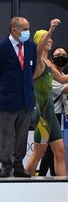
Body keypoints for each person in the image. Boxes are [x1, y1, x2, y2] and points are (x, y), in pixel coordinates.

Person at [0, 16, 37, 178]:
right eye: (25, 29)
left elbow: (31, 70)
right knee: (7, 133)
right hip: (7, 100)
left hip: (26, 99)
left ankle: (18, 165)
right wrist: (4, 91)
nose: (28, 32)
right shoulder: (0, 48)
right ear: (14, 30)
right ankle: (5, 165)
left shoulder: (31, 47)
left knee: (22, 134)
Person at [25, 19, 67, 177]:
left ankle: (63, 187)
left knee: (60, 152)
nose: (50, 39)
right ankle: (22, 183)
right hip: (43, 116)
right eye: (45, 37)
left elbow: (63, 80)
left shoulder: (49, 63)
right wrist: (51, 29)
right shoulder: (37, 62)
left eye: (50, 37)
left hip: (51, 114)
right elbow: (37, 50)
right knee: (38, 153)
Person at [38, 46, 68, 176]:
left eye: (63, 55)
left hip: (57, 114)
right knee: (43, 150)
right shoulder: (49, 73)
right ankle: (40, 177)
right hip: (46, 115)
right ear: (51, 58)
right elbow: (65, 89)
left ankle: (52, 177)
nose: (61, 57)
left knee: (53, 150)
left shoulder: (62, 75)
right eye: (57, 55)